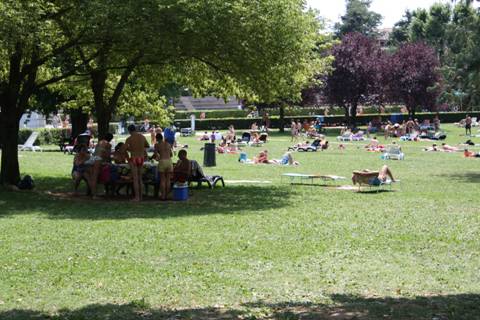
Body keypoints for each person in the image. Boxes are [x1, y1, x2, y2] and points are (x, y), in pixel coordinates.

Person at [125, 125, 150, 201]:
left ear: (129, 131)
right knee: (140, 178)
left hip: (134, 158)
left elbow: (123, 149)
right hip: (141, 158)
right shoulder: (142, 137)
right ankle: (141, 197)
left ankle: (137, 197)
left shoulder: (129, 138)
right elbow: (147, 145)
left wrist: (130, 149)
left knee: (135, 179)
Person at [88, 132, 114, 198]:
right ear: (110, 139)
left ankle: (92, 193)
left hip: (93, 158)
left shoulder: (100, 142)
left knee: (92, 177)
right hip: (98, 159)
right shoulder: (108, 144)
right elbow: (107, 156)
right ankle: (94, 195)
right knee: (95, 177)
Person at [154, 133, 173, 200]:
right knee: (168, 179)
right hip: (169, 161)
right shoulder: (168, 144)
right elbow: (171, 154)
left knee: (162, 179)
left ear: (157, 139)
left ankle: (163, 195)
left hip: (162, 161)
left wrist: (157, 158)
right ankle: (167, 195)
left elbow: (156, 155)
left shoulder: (157, 145)